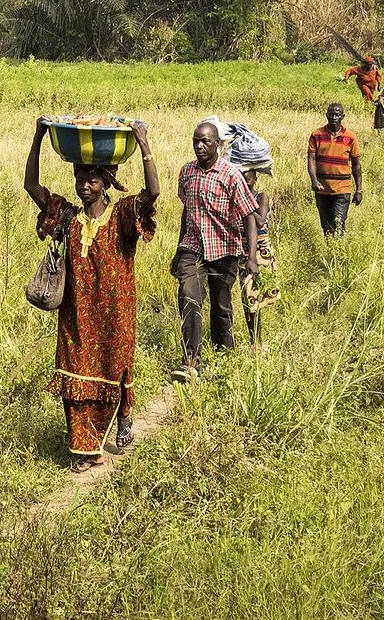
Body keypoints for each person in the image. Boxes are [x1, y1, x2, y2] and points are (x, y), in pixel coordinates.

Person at [23, 118, 159, 471]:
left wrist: (144, 145)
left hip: (116, 311)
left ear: (106, 183)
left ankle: (123, 412)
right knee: (75, 374)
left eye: (92, 179)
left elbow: (153, 194)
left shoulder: (123, 215)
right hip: (75, 312)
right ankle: (84, 449)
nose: (85, 185)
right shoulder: (67, 216)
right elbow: (31, 185)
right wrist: (38, 137)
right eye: (80, 178)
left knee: (114, 369)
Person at [172, 120, 261, 380]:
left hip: (224, 250)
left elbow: (249, 217)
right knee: (189, 298)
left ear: (218, 145)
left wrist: (251, 257)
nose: (199, 146)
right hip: (193, 247)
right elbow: (186, 211)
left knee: (221, 307)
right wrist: (179, 250)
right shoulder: (186, 172)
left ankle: (225, 357)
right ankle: (191, 362)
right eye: (195, 141)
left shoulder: (231, 174)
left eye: (205, 142)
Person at [307, 103, 364, 238]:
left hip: (342, 189)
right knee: (326, 227)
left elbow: (356, 165)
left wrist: (359, 190)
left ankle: (337, 253)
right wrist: (314, 180)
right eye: (331, 114)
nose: (334, 117)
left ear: (342, 116)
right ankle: (330, 253)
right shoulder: (316, 135)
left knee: (338, 223)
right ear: (326, 115)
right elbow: (311, 160)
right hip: (322, 188)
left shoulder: (351, 137)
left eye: (337, 115)